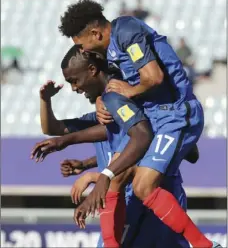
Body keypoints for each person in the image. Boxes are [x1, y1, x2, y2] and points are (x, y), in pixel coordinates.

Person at [31, 46, 220, 248]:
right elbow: (54, 128)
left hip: (144, 198)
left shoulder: (136, 115)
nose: (74, 88)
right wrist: (45, 100)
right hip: (129, 196)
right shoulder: (100, 117)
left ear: (93, 70)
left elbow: (137, 156)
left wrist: (96, 177)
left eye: (75, 81)